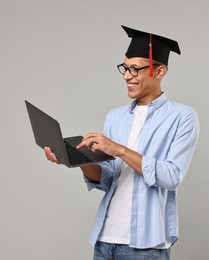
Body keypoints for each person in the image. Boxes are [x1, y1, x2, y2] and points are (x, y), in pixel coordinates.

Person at [44, 25, 199, 259]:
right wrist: (76, 159)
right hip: (105, 240)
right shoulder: (115, 116)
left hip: (147, 246)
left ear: (159, 72)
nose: (127, 76)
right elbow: (107, 179)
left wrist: (118, 149)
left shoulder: (182, 117)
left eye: (135, 69)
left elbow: (171, 176)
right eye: (125, 68)